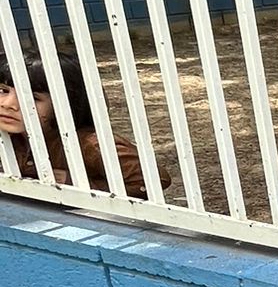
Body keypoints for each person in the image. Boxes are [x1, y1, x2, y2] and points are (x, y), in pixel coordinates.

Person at [0, 50, 161, 200]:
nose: (8, 104)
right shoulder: (7, 135)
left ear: (64, 104)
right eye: (3, 91)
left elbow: (153, 180)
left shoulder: (90, 144)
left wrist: (78, 184)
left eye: (32, 98)